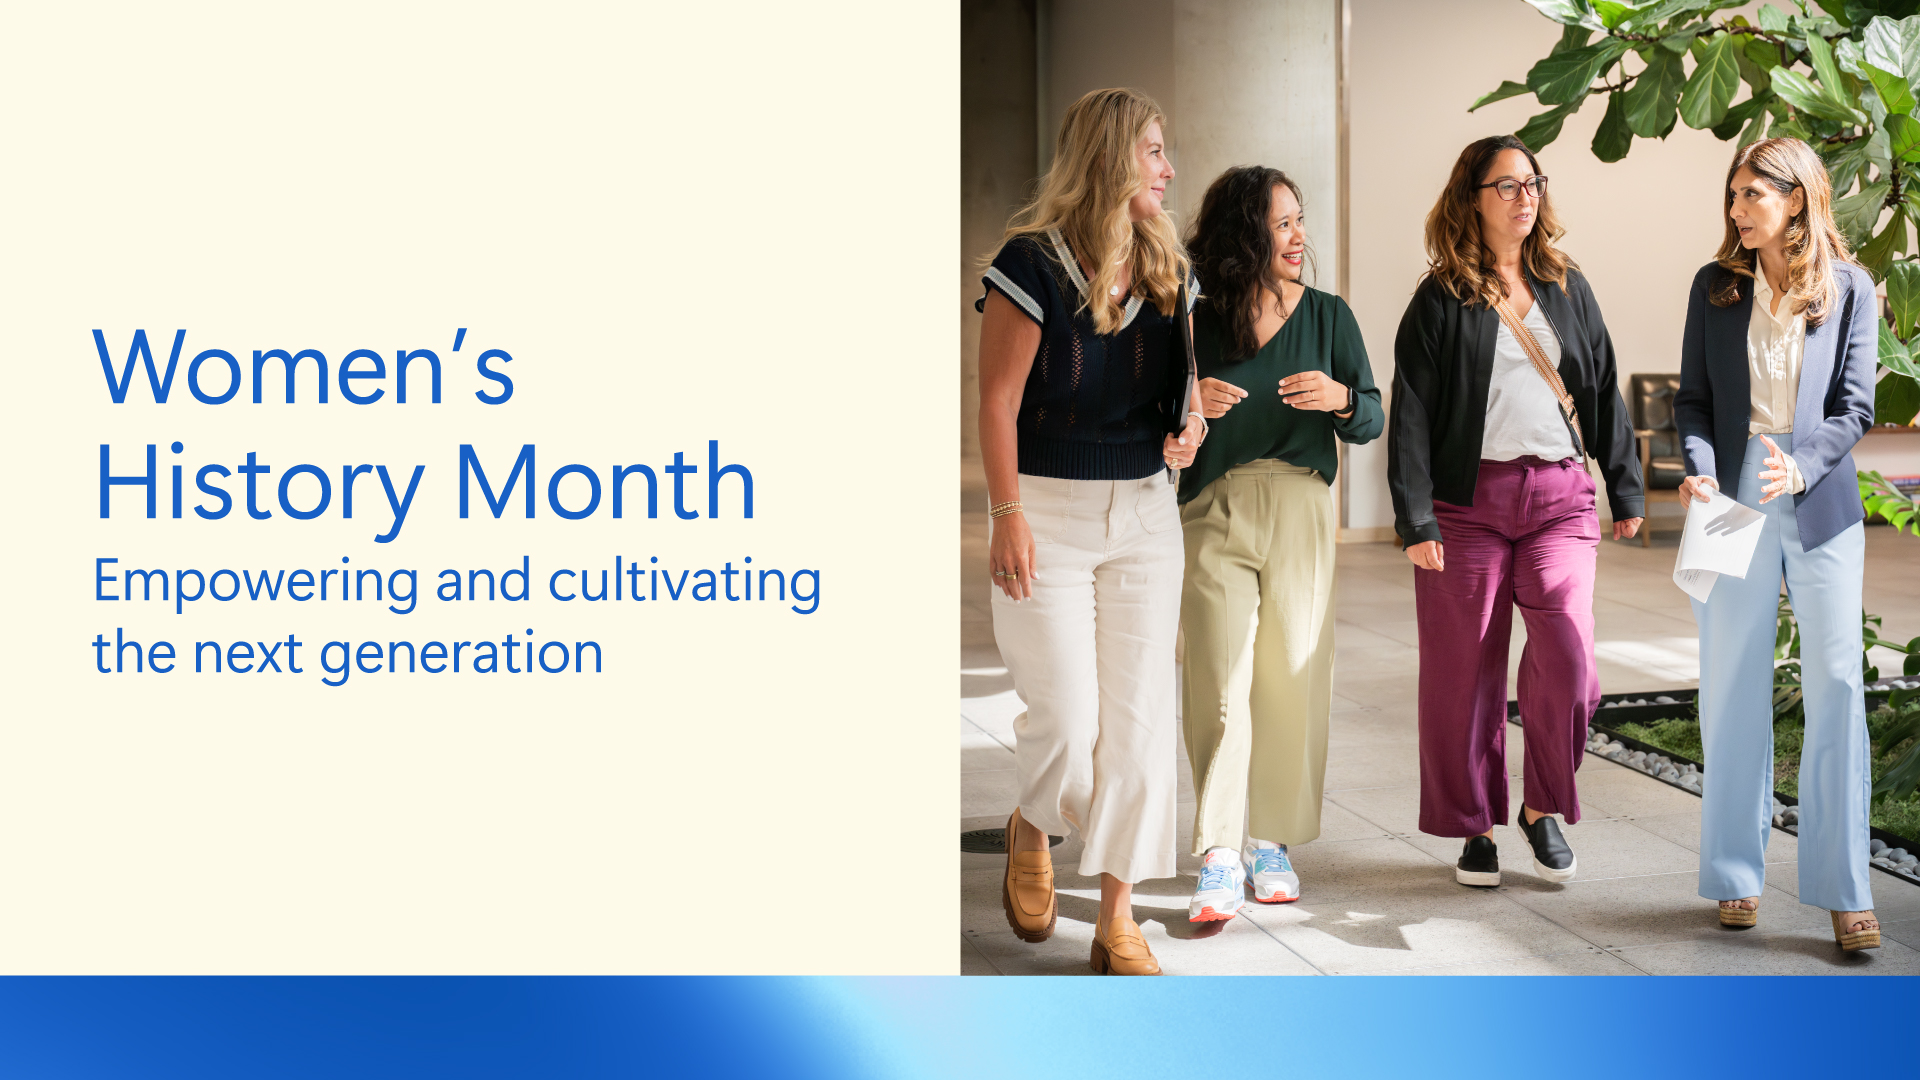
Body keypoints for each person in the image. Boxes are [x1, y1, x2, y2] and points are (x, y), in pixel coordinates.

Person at [975, 87, 1205, 975]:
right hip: (1049, 512)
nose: (1167, 168)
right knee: (1068, 723)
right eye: (1153, 150)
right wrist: (1007, 516)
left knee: (1140, 723)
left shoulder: (1168, 267)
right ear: (1112, 155)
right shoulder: (1030, 266)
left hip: (1146, 512)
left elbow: (1180, 396)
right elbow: (996, 401)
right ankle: (1033, 822)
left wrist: (1191, 428)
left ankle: (1120, 917)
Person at [1388, 135, 1644, 887]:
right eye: (1506, 185)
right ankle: (1474, 828)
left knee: (1570, 654)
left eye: (1532, 183)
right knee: (1461, 671)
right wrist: (1415, 519)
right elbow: (1411, 413)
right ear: (1472, 198)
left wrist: (1624, 485)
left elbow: (1600, 386)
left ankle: (1543, 807)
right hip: (1466, 505)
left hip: (1560, 498)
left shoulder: (1568, 285)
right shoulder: (1439, 298)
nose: (1524, 196)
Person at [1673, 137, 1879, 950]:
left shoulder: (1851, 288)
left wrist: (1799, 466)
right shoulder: (1715, 287)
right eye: (1732, 196)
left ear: (1796, 198)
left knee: (1836, 685)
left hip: (1819, 500)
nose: (1735, 210)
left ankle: (1844, 888)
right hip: (1727, 503)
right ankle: (1733, 875)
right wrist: (1695, 471)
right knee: (1728, 687)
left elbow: (1855, 408)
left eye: (1750, 195)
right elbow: (1692, 400)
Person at [1174, 166, 1383, 922]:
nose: (1298, 236)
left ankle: (1271, 840)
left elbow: (1371, 416)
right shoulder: (1193, 321)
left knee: (1292, 677)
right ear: (1243, 236)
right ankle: (1220, 852)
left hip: (1300, 509)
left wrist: (1341, 399)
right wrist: (1188, 404)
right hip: (1215, 508)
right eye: (1282, 223)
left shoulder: (1329, 316)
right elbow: (1157, 426)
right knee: (1220, 681)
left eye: (1300, 221)